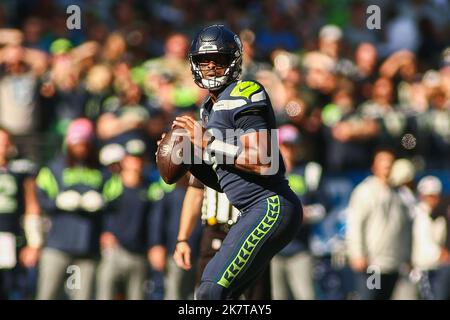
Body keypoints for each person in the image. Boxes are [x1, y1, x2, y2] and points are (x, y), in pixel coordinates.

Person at [171, 24, 302, 300]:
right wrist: (189, 158)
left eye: (217, 60)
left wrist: (206, 141)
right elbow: (224, 181)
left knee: (210, 293)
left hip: (269, 206)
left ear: (233, 61)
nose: (210, 67)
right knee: (224, 297)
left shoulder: (246, 92)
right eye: (203, 61)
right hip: (249, 211)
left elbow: (265, 160)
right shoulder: (208, 108)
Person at [35, 118, 106, 300]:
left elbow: (116, 197)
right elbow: (41, 197)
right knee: (47, 294)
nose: (80, 148)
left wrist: (103, 202)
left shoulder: (101, 171)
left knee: (83, 296)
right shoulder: (54, 168)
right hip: (57, 245)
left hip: (87, 247)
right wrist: (57, 202)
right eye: (76, 143)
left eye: (84, 143)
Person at [174, 176, 272, 300]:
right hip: (216, 232)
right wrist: (182, 239)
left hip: (251, 230)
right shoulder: (205, 157)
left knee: (256, 293)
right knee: (208, 291)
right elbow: (195, 193)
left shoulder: (257, 157)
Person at [346, 147, 412, 300]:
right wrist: (357, 253)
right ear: (374, 166)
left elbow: (406, 227)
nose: (387, 166)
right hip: (373, 264)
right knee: (370, 296)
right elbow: (355, 223)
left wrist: (407, 256)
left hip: (394, 263)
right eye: (383, 161)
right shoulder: (365, 191)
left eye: (390, 162)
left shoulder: (400, 195)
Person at [271, 124, 326, 300]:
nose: (288, 150)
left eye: (292, 145)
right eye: (284, 145)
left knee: (306, 295)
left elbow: (323, 207)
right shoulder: (267, 173)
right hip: (273, 250)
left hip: (300, 249)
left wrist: (304, 214)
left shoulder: (309, 172)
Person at [96, 141, 154, 300]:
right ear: (124, 160)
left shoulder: (149, 188)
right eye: (132, 157)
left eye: (140, 158)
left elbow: (153, 221)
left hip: (139, 252)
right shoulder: (112, 184)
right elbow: (98, 211)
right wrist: (102, 233)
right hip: (114, 250)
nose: (136, 162)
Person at [0, 127, 41, 299]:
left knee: (14, 290)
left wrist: (34, 242)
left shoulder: (19, 171)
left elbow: (32, 205)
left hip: (12, 240)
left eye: (4, 141)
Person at [149, 174, 203, 300]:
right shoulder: (172, 188)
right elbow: (157, 219)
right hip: (176, 252)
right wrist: (156, 244)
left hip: (201, 252)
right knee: (174, 294)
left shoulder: (207, 184)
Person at [412, 176, 450, 299]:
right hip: (424, 267)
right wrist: (441, 254)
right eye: (428, 195)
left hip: (437, 266)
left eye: (434, 195)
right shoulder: (418, 214)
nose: (431, 199)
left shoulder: (439, 216)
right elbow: (422, 242)